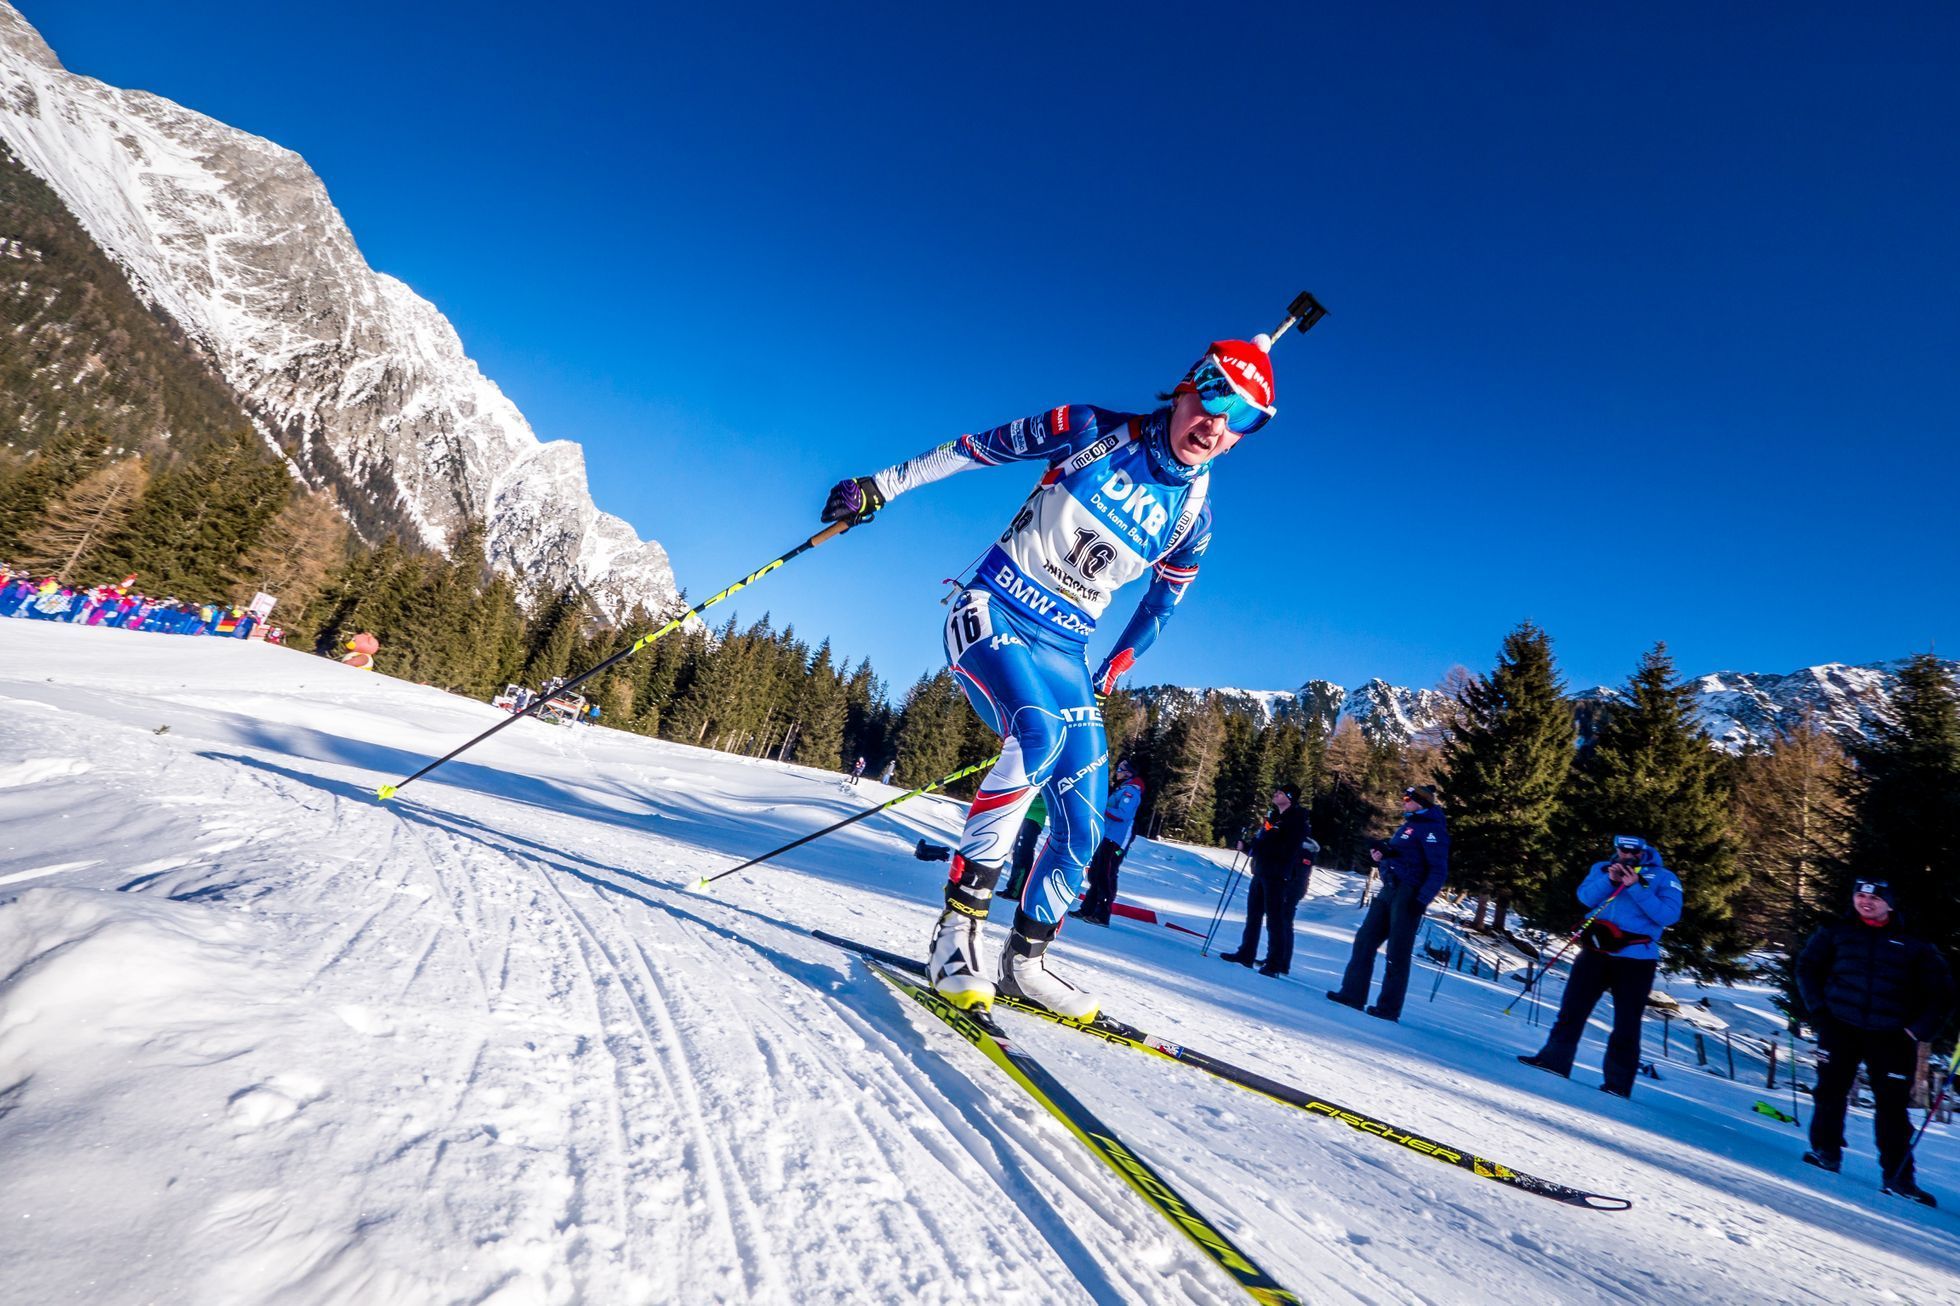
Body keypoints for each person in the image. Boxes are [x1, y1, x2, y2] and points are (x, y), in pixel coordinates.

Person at [821, 336, 1283, 1019]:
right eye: (1214, 397)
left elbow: (1163, 602)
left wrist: (1117, 664)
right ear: (1185, 389)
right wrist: (880, 487)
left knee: (1084, 820)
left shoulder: (1193, 519)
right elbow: (974, 448)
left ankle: (1025, 961)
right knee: (1033, 737)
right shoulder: (1089, 429)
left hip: (1067, 652)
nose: (1217, 424)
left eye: (1243, 417)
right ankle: (957, 931)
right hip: (992, 609)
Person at [1796, 878, 1955, 1206]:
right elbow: (1807, 967)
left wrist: (1917, 1031)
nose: (1865, 901)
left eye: (1874, 897)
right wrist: (1819, 1012)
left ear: (1890, 904)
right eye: (1860, 894)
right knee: (1829, 1091)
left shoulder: (1914, 943)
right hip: (1840, 1026)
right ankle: (1825, 1152)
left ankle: (1899, 1177)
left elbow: (1942, 994)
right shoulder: (1836, 931)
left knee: (1893, 1108)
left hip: (1892, 1035)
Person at [1517, 834, 1683, 1096]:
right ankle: (1553, 1060)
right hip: (1595, 952)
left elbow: (1669, 915)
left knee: (1627, 1023)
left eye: (1633, 854)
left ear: (1644, 852)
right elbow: (1584, 897)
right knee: (1572, 1009)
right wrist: (1610, 880)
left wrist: (1637, 888)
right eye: (1622, 851)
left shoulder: (1664, 878)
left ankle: (1618, 1084)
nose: (1627, 857)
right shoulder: (1602, 869)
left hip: (1636, 959)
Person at [1329, 785, 1451, 1021]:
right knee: (1365, 939)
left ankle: (1388, 1008)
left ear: (1420, 803)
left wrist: (1421, 899)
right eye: (1404, 797)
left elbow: (1438, 870)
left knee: (1397, 951)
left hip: (1408, 893)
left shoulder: (1433, 830)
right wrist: (1383, 857)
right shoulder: (1409, 826)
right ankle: (1352, 994)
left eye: (1408, 798)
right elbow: (1404, 857)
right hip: (1390, 888)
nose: (1403, 801)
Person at [1221, 783, 1314, 974]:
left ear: (1290, 797)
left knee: (1275, 920)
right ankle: (1246, 953)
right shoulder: (1273, 816)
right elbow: (1263, 842)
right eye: (1276, 792)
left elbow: (1286, 849)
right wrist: (1248, 847)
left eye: (1280, 793)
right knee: (1253, 916)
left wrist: (1261, 846)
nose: (1275, 794)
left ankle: (1274, 963)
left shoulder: (1296, 820)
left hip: (1277, 875)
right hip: (1261, 870)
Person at [1073, 758, 1145, 926]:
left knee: (1106, 876)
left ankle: (1102, 914)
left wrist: (1101, 808)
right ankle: (1087, 909)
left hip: (1116, 840)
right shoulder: (1122, 788)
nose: (1117, 772)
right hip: (1106, 836)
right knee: (1096, 873)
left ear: (1128, 773)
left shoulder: (1131, 792)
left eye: (1120, 769)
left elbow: (1122, 814)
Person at [1004, 792, 1048, 903]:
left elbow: (1046, 805)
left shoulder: (1047, 788)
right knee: (1018, 853)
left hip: (1033, 821)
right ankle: (1012, 888)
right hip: (1024, 819)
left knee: (1022, 854)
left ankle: (1016, 891)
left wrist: (1027, 798)